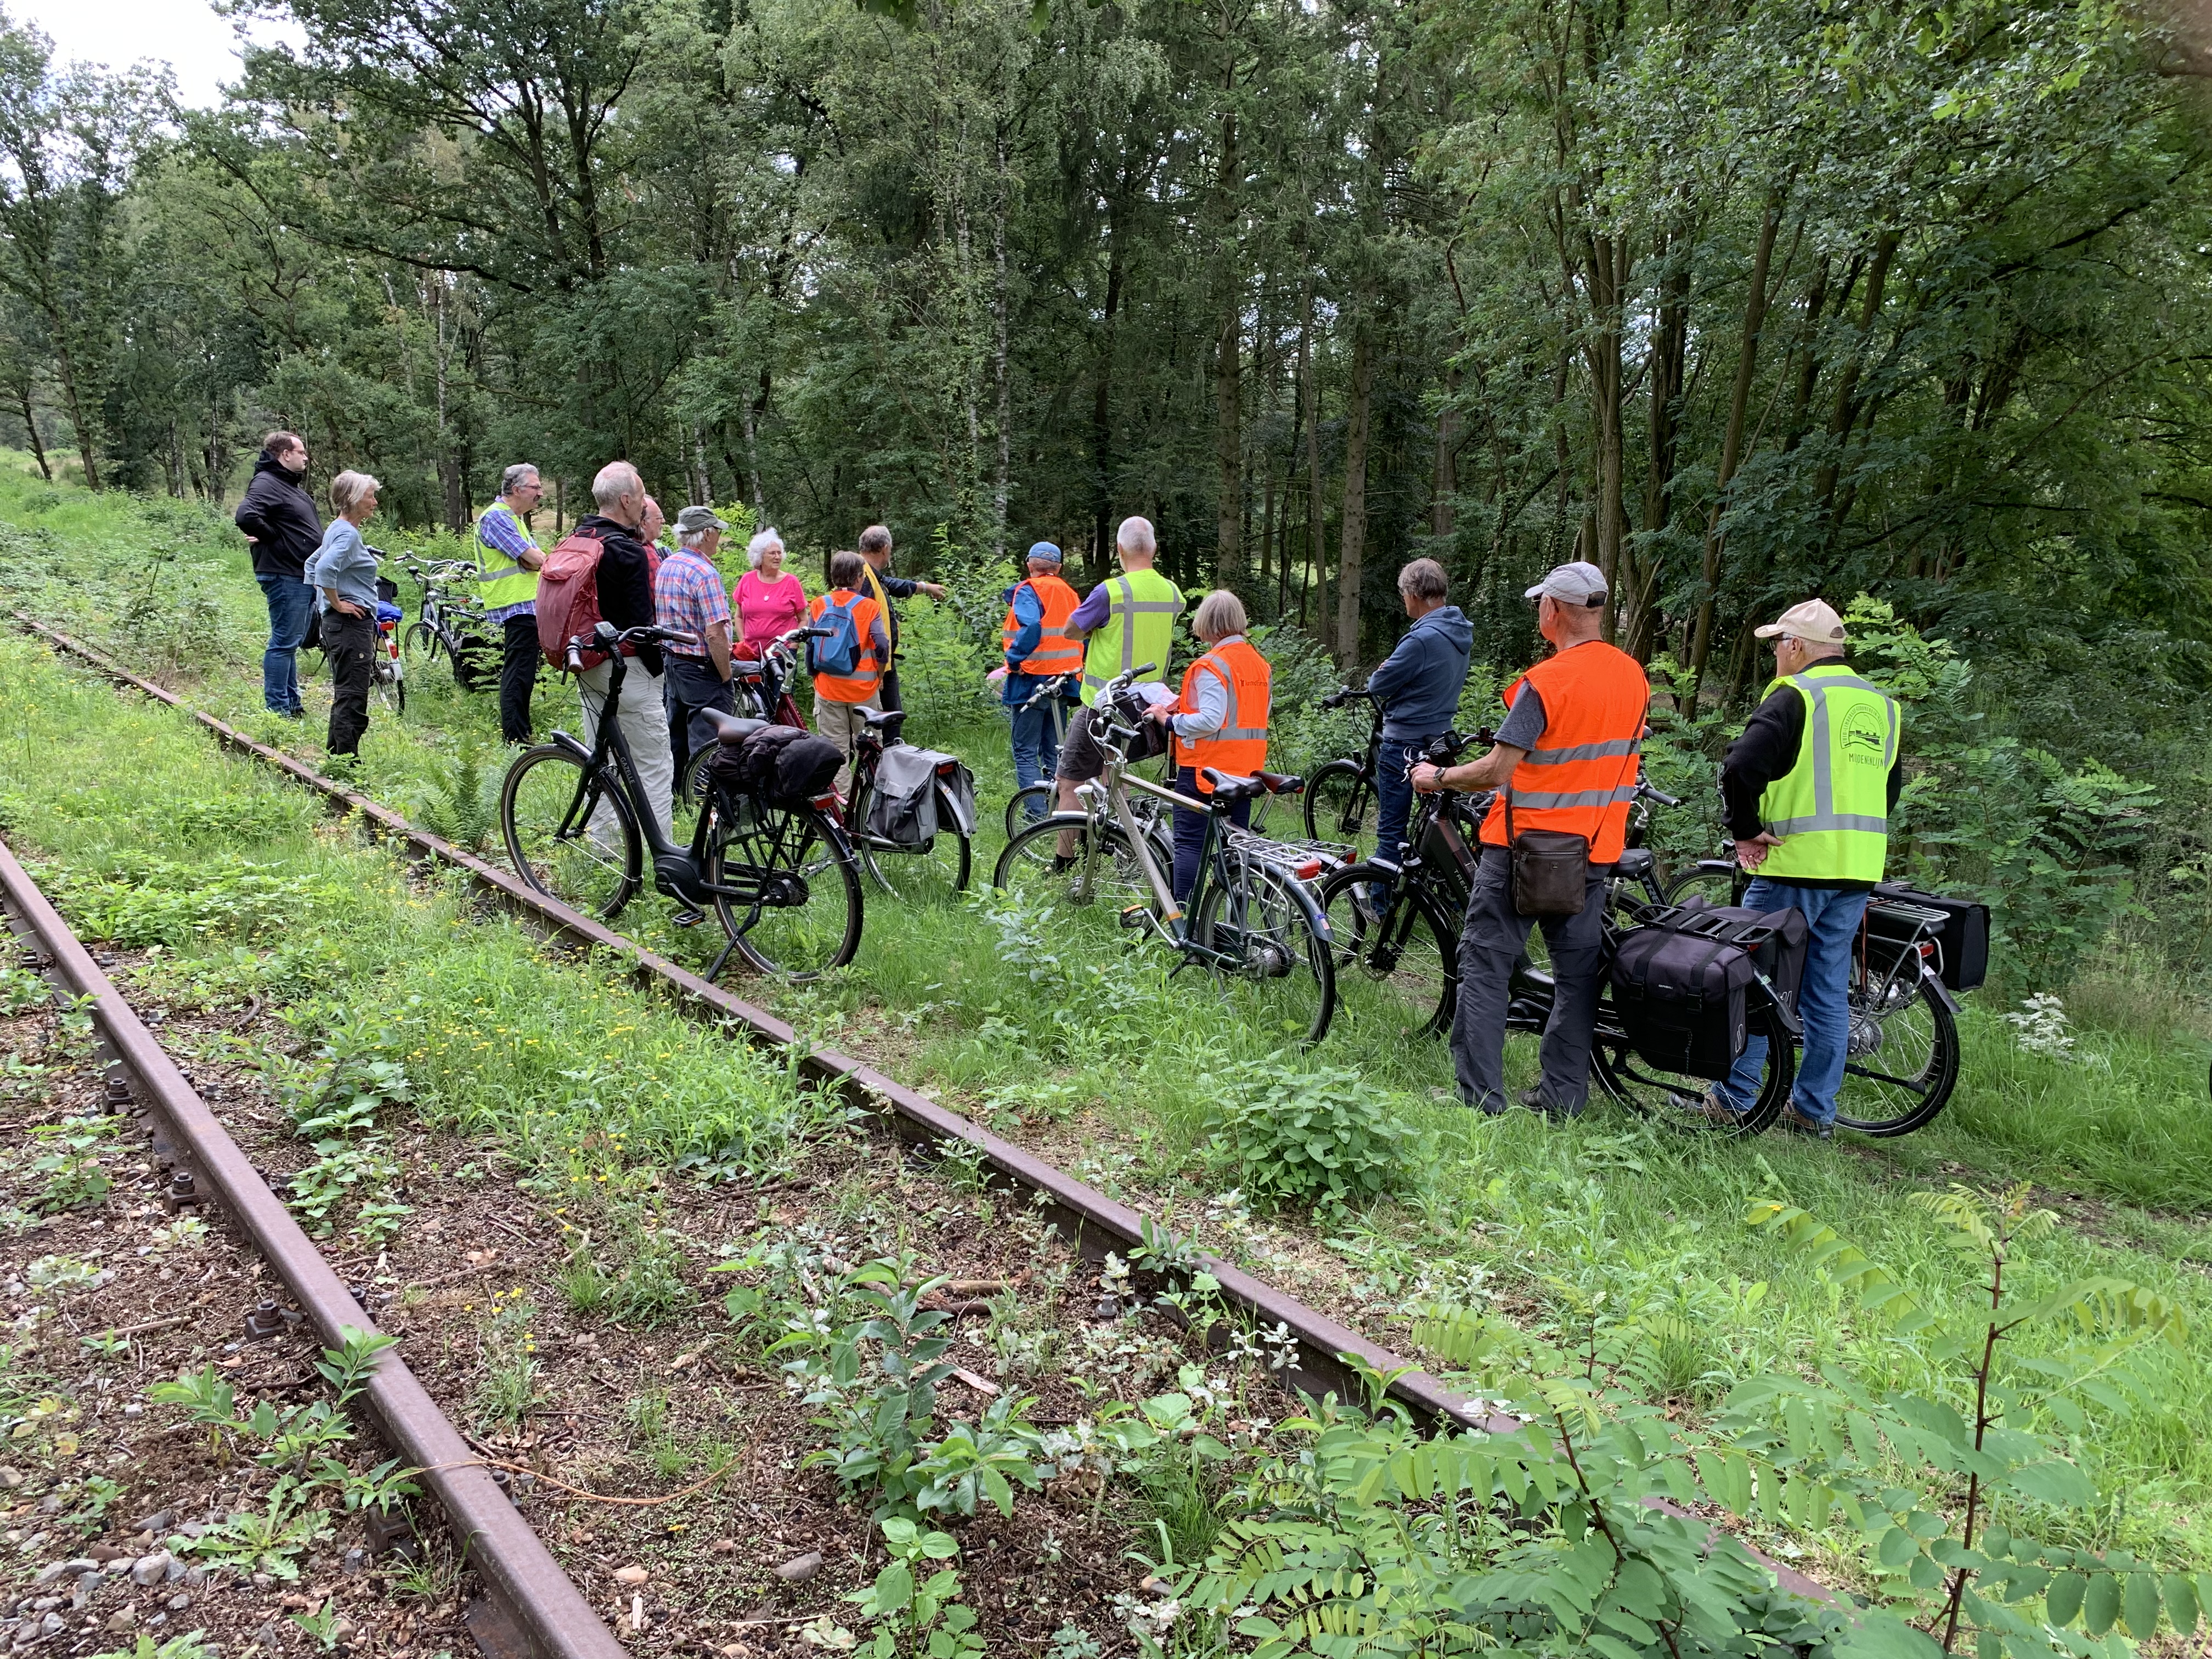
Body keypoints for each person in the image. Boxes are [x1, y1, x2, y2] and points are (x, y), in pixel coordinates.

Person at [1412, 560, 1648, 1118]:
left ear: (1555, 610)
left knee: (1486, 967)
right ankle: (1562, 1097)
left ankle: (1480, 1099)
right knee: (1577, 978)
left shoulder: (1545, 683)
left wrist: (1438, 777)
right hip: (1593, 852)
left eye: (1542, 601)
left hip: (1525, 852)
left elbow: (1497, 770)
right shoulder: (1633, 676)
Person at [1713, 599, 1903, 1139]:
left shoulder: (1796, 696)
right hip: (1856, 872)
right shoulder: (1884, 707)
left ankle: (1733, 1099)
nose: (1775, 653)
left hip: (1793, 868)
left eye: (1777, 643)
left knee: (1754, 981)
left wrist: (1745, 830)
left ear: (1796, 646)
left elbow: (1739, 768)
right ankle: (1813, 1112)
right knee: (1824, 995)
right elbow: (1888, 792)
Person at [1054, 516, 1183, 853]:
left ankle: (1064, 863)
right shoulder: (1173, 593)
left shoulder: (1111, 592)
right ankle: (1121, 851)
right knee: (1115, 778)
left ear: (1119, 549)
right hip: (1146, 706)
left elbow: (1071, 631)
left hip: (1104, 704)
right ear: (1154, 548)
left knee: (1069, 781)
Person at [568, 462, 676, 846]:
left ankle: (607, 849)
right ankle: (662, 855)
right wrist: (657, 670)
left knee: (603, 761)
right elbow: (644, 626)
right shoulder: (628, 551)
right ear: (627, 500)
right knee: (653, 764)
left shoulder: (580, 538)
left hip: (587, 662)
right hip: (626, 669)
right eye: (642, 495)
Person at [1148, 590, 1269, 902]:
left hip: (1206, 769)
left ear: (1207, 624)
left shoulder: (1211, 665)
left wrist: (1170, 721)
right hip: (1247, 769)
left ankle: (1185, 917)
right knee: (1235, 848)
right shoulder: (1258, 664)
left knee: (1189, 843)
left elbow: (1212, 719)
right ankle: (1232, 919)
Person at [1363, 558, 1473, 895]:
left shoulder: (1422, 639)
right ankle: (1451, 894)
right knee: (1438, 822)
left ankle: (1380, 906)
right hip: (1438, 737)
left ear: (1414, 593)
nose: (1403, 600)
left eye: (1403, 593)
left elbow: (1378, 683)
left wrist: (1384, 671)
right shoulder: (1459, 631)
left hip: (1405, 740)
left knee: (1391, 830)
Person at [233, 431, 323, 719]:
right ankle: (278, 711)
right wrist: (272, 536)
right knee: (283, 643)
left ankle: (292, 704)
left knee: (290, 641)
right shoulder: (267, 482)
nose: (306, 457)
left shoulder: (285, 484)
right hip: (285, 574)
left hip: (298, 573)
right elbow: (246, 516)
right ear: (285, 454)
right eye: (301, 452)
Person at [990, 541, 1082, 822]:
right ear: (1059, 568)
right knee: (1055, 749)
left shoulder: (1028, 590)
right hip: (1065, 681)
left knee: (1026, 750)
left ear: (1029, 564)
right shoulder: (1071, 594)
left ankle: (1036, 816)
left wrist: (1014, 660)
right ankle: (1058, 810)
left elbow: (1031, 626)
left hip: (1030, 679)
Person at [301, 471, 383, 763]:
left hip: (339, 625)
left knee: (345, 691)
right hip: (349, 625)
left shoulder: (337, 528)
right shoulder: (347, 533)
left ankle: (337, 757)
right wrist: (337, 604)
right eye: (370, 496)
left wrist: (325, 602)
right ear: (352, 499)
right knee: (353, 694)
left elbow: (312, 564)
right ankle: (348, 763)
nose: (375, 501)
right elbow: (323, 569)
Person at [656, 505, 737, 787]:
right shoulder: (704, 572)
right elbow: (715, 633)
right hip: (702, 668)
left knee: (676, 735)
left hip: (673, 662)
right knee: (708, 741)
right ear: (706, 534)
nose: (718, 538)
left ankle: (677, 796)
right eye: (716, 532)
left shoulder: (667, 565)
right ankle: (705, 801)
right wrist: (726, 675)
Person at [808, 550, 891, 797]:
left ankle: (843, 808)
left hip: (829, 690)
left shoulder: (819, 604)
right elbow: (882, 645)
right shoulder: (870, 607)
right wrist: (880, 675)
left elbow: (810, 645)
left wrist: (816, 678)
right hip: (864, 692)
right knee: (871, 749)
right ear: (859, 579)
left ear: (834, 578)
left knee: (835, 751)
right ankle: (873, 802)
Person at [475, 462, 546, 746]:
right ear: (517, 490)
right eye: (536, 488)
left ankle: (521, 731)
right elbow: (536, 559)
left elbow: (532, 559)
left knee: (525, 669)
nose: (540, 493)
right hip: (515, 604)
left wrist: (531, 558)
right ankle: (515, 738)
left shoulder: (513, 518)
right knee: (518, 670)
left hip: (525, 604)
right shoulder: (498, 518)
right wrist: (531, 558)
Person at [855, 524, 946, 716]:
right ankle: (888, 746)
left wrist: (925, 587)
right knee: (887, 718)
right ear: (885, 549)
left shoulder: (866, 572)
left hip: (880, 659)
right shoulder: (863, 577)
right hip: (873, 662)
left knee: (889, 716)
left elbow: (891, 584)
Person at [735, 527, 808, 653]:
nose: (777, 557)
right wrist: (743, 642)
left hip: (783, 654)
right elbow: (739, 617)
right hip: (751, 654)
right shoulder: (747, 580)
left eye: (779, 553)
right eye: (772, 553)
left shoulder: (791, 582)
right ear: (760, 556)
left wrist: (794, 643)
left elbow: (804, 619)